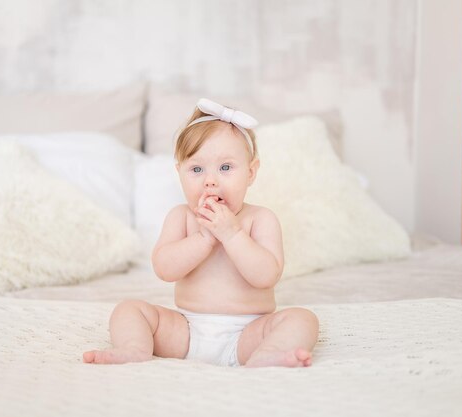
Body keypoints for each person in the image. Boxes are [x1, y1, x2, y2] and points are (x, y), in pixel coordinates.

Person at [83, 99, 319, 367]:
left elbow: (266, 276)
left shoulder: (260, 219)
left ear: (251, 173)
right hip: (186, 331)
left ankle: (267, 354)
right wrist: (204, 238)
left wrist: (231, 235)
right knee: (129, 310)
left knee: (303, 319)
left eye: (226, 168)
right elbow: (164, 269)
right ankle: (134, 349)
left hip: (248, 333)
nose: (210, 180)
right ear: (180, 173)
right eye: (196, 169)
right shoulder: (181, 217)